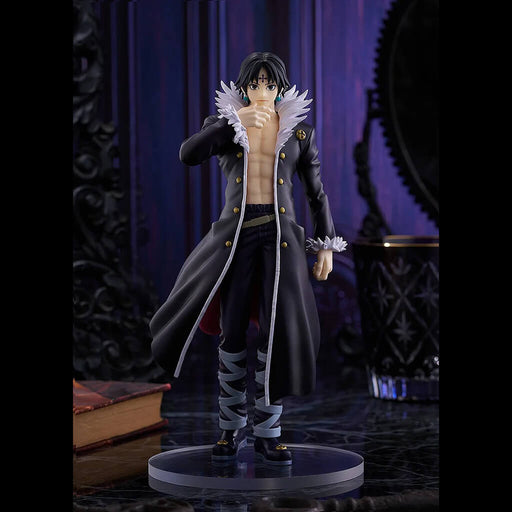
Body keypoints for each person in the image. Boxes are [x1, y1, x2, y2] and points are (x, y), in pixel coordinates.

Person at [149, 52, 347, 465]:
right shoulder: (225, 126)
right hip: (236, 239)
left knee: (277, 334)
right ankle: (229, 429)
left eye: (269, 84)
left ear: (280, 88)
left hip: (281, 240)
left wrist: (326, 245)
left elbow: (316, 192)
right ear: (243, 88)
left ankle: (268, 434)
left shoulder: (298, 133)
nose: (262, 91)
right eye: (254, 84)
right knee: (232, 330)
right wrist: (231, 123)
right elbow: (188, 154)